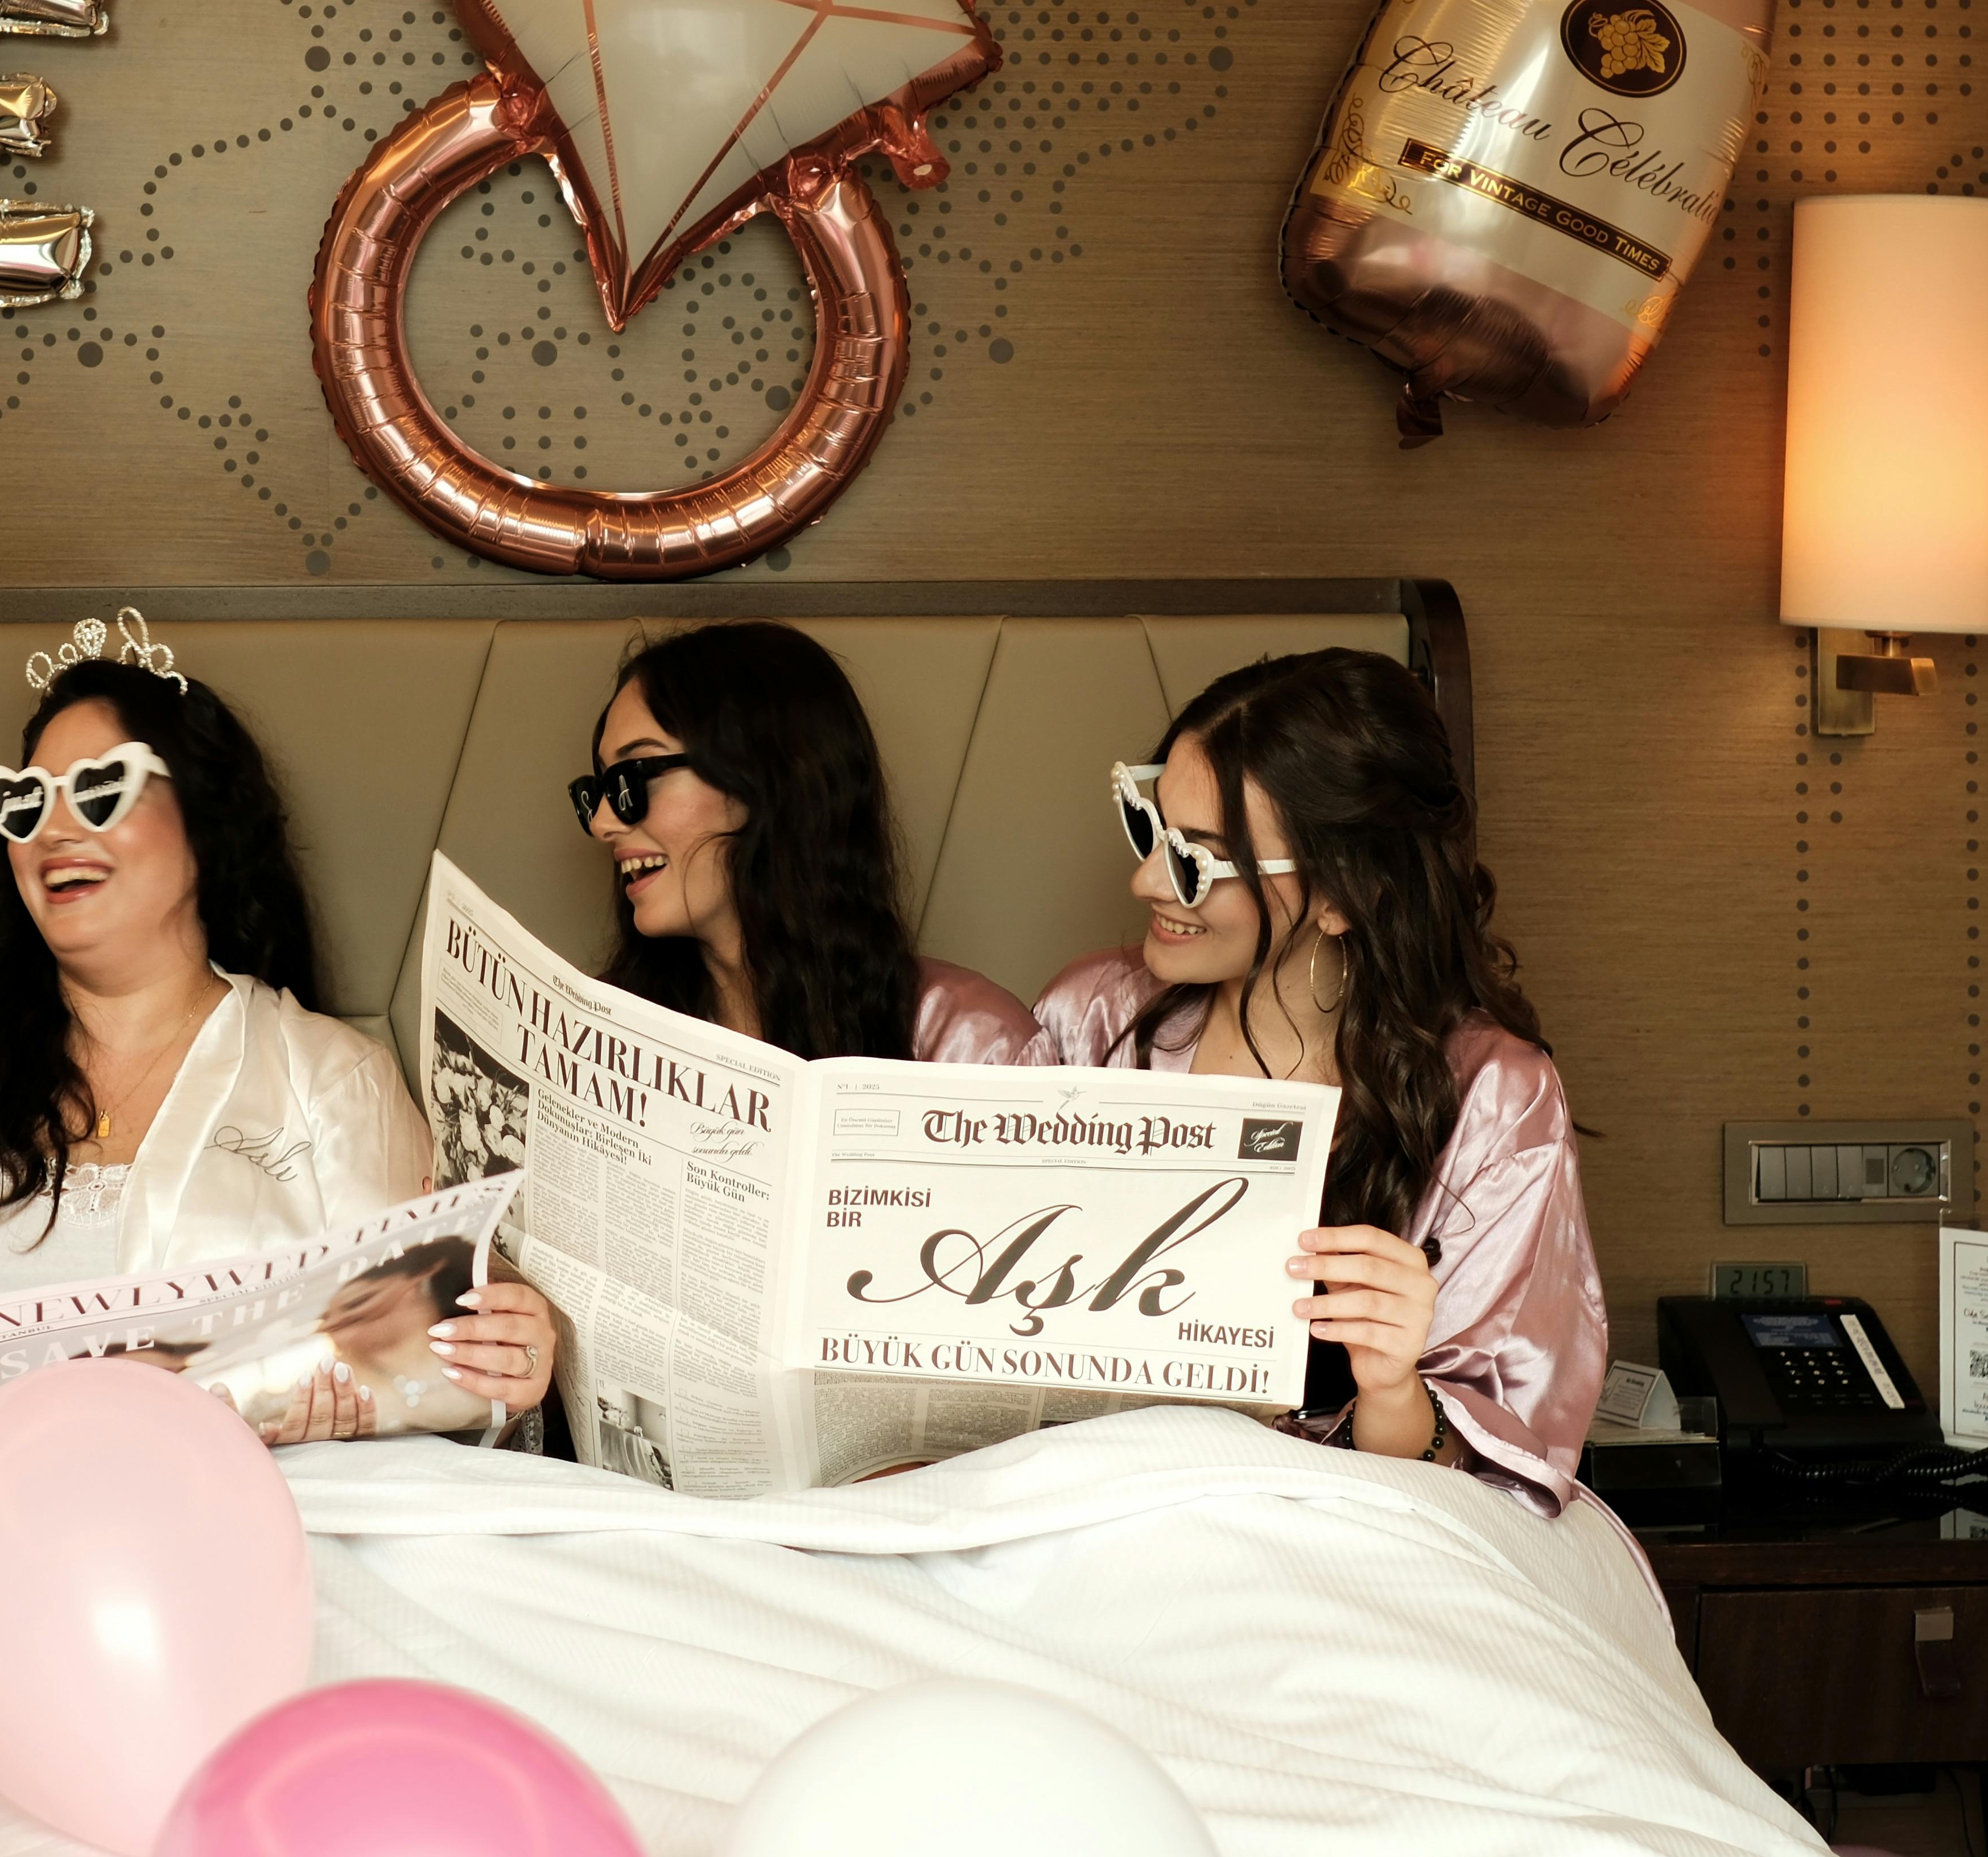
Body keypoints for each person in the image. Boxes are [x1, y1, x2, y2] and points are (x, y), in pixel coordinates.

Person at [0, 625, 556, 1444]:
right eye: (27, 803)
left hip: (251, 1518)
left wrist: (500, 1357)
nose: (56, 831)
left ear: (202, 824)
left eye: (100, 790)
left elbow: (419, 1361)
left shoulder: (328, 1080)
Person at [1035, 648, 1606, 1511]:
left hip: (1339, 1528)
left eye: (1197, 861)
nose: (1145, 880)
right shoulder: (1091, 1021)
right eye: (1148, 830)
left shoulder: (1492, 1099)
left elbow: (1492, 1472)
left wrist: (1391, 1390)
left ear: (1345, 895)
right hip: (1084, 1508)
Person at [576, 620, 1045, 1063]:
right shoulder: (594, 1038)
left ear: (766, 783)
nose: (601, 823)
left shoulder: (970, 1042)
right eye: (597, 791)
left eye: (632, 777)